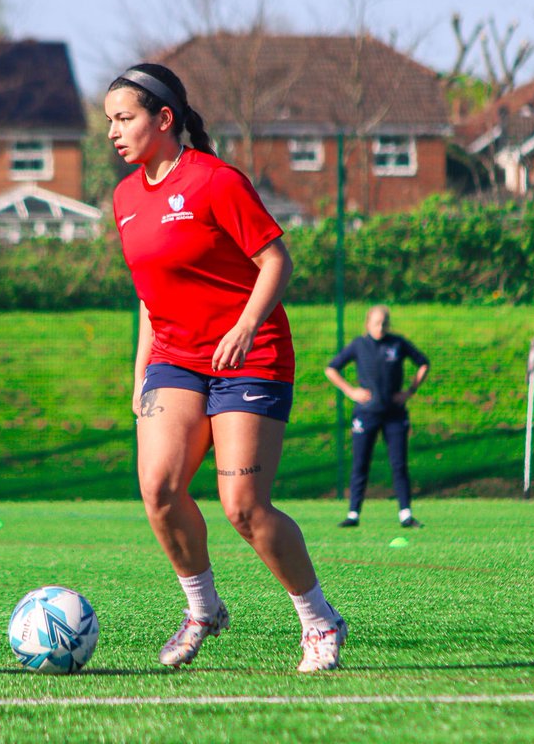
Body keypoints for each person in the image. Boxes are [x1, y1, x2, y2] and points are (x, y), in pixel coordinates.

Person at [105, 63, 346, 673]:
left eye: (124, 118)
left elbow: (276, 262)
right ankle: (203, 609)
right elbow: (148, 292)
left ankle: (319, 620)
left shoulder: (216, 181)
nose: (113, 131)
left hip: (250, 355)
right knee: (159, 489)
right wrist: (140, 371)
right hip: (175, 360)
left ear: (164, 119)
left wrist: (244, 327)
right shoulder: (126, 196)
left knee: (242, 506)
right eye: (109, 120)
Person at [325, 305, 430, 528]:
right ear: (367, 324)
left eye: (384, 323)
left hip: (394, 414)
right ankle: (353, 513)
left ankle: (405, 514)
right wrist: (350, 391)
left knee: (399, 464)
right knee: (360, 464)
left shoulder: (397, 344)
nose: (380, 327)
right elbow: (331, 369)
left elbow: (423, 363)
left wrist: (410, 391)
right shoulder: (359, 345)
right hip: (366, 414)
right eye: (376, 323)